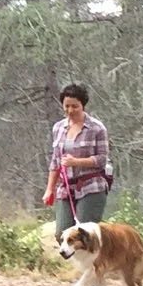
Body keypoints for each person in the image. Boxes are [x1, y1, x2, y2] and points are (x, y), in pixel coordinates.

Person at [43, 83, 113, 234]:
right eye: (67, 106)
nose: (70, 110)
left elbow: (102, 159)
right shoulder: (58, 128)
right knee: (62, 234)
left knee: (84, 234)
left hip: (91, 186)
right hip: (66, 188)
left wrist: (76, 162)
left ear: (83, 105)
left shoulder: (97, 128)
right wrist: (50, 189)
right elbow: (55, 161)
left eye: (75, 106)